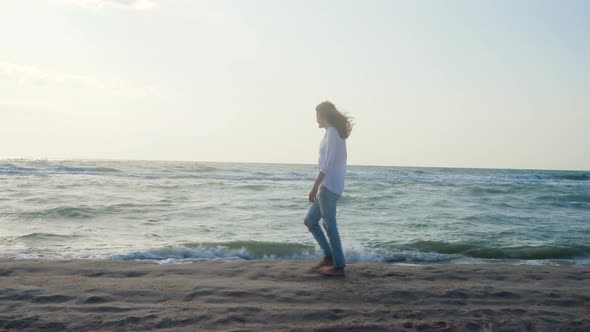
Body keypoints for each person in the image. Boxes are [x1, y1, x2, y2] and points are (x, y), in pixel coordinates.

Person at [304, 101, 353, 276]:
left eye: (317, 115)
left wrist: (314, 187)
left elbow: (328, 164)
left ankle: (339, 265)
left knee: (329, 225)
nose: (316, 119)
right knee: (310, 221)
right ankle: (329, 257)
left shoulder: (332, 133)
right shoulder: (330, 133)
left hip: (329, 186)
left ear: (324, 115)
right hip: (328, 186)